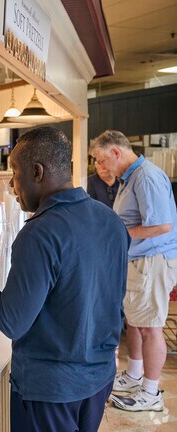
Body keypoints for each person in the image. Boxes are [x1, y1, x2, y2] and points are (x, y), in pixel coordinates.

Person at [0, 127, 130, 431]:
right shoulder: (110, 220)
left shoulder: (40, 233)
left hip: (50, 391)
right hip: (99, 379)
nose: (12, 185)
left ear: (36, 172)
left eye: (14, 173)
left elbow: (12, 321)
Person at [90, 130, 177, 412]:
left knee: (151, 328)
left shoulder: (146, 177)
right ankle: (135, 374)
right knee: (137, 322)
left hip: (152, 261)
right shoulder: (131, 178)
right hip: (139, 261)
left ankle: (151, 392)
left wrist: (120, 235)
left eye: (101, 161)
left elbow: (162, 225)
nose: (100, 168)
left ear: (116, 152)